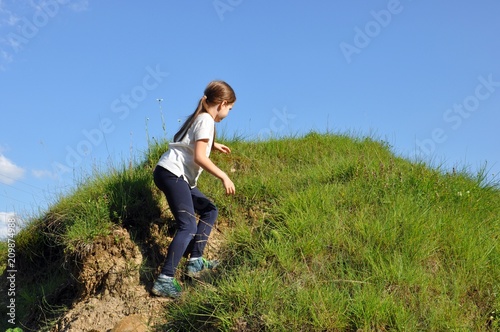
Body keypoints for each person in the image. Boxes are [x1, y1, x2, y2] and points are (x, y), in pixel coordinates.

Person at [151, 80, 236, 298]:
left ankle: (195, 261)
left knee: (210, 210)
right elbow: (199, 156)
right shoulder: (206, 120)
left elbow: (189, 142)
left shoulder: (202, 117)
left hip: (175, 175)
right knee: (187, 226)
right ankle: (164, 280)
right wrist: (224, 175)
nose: (229, 112)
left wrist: (213, 145)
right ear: (223, 103)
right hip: (173, 174)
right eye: (230, 108)